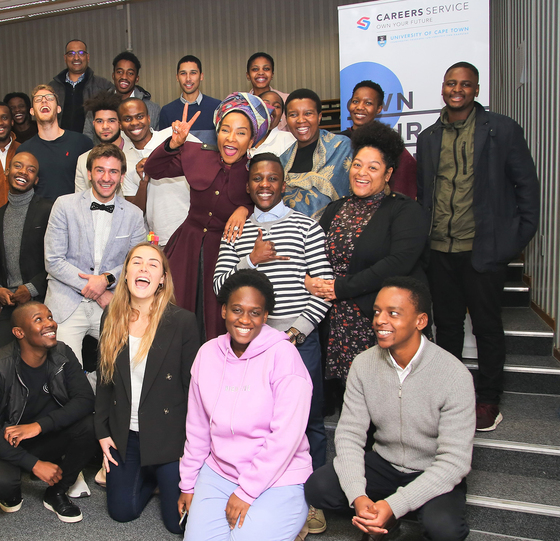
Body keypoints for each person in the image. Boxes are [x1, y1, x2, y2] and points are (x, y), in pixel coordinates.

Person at [213, 152, 333, 535]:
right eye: (258, 178)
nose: (265, 185)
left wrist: (292, 335)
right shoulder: (236, 231)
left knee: (307, 423)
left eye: (273, 179)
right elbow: (220, 288)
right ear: (248, 185)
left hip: (298, 341)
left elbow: (324, 288)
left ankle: (309, 500)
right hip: (247, 344)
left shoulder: (306, 227)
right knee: (254, 421)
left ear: (284, 184)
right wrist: (250, 258)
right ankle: (255, 489)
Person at [417, 61, 540, 431]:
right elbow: (425, 194)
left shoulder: (501, 130)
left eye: (465, 84)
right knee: (448, 328)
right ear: (442, 88)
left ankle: (488, 400)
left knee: (486, 327)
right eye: (451, 83)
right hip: (439, 250)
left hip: (483, 249)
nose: (458, 89)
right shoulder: (428, 137)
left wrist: (511, 243)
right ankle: (451, 396)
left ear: (476, 89)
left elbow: (527, 190)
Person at [305, 277, 475, 541]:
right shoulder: (363, 364)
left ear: (420, 321)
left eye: (393, 313)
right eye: (377, 311)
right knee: (319, 487)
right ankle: (384, 521)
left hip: (431, 469)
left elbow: (455, 463)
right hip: (384, 463)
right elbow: (349, 435)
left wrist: (393, 505)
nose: (379, 320)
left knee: (445, 530)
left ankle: (390, 515)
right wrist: (358, 497)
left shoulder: (454, 375)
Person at [178, 269, 312, 540]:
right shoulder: (207, 354)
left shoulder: (285, 357)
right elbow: (197, 429)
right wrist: (188, 484)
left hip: (278, 478)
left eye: (255, 312)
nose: (245, 320)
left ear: (265, 316)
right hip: (219, 472)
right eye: (237, 309)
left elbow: (286, 437)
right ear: (224, 311)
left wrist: (247, 491)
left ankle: (291, 522)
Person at [308, 121, 428, 387]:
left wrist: (341, 287)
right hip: (335, 321)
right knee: (346, 398)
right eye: (358, 164)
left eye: (373, 167)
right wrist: (309, 280)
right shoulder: (334, 209)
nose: (362, 172)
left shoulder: (405, 211)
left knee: (380, 398)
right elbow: (313, 252)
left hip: (377, 320)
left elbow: (397, 264)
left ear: (388, 174)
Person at [144, 93, 271, 341]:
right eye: (225, 129)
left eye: (241, 132)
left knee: (216, 319)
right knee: (175, 313)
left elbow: (268, 202)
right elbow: (153, 170)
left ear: (252, 140)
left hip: (223, 254)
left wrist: (246, 208)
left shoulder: (255, 171)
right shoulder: (198, 154)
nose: (231, 138)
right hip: (186, 247)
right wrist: (174, 143)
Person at [95, 243, 199, 533]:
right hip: (125, 438)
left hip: (169, 440)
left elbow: (193, 390)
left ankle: (160, 478)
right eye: (136, 262)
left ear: (163, 278)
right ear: (126, 274)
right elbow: (105, 382)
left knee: (177, 525)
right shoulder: (110, 317)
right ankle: (148, 480)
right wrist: (102, 433)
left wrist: (191, 449)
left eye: (153, 264)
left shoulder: (183, 322)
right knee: (121, 513)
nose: (143, 268)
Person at [0, 301, 97, 522]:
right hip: (8, 440)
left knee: (92, 425)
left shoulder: (63, 354)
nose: (50, 324)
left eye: (50, 317)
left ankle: (56, 492)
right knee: (0, 485)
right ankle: (14, 487)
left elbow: (85, 400)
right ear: (19, 332)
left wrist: (39, 426)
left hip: (45, 435)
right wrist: (34, 465)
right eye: (39, 320)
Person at [44, 143, 146, 384]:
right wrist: (93, 288)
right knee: (62, 372)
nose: (106, 178)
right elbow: (53, 260)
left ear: (122, 176)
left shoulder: (133, 214)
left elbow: (137, 263)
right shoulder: (64, 205)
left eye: (113, 172)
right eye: (100, 170)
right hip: (67, 300)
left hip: (111, 302)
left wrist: (106, 281)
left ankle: (101, 409)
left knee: (129, 364)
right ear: (89, 173)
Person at [0, 151, 54, 350]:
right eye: (18, 166)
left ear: (36, 180)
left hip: (42, 301)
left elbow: (59, 258)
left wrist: (31, 288)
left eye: (31, 170)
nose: (23, 172)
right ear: (7, 171)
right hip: (9, 306)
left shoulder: (49, 210)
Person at [120, 98, 201, 247]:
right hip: (159, 239)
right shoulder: (124, 158)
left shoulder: (173, 135)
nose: (134, 123)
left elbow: (206, 166)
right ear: (120, 124)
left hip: (192, 231)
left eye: (139, 116)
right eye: (127, 119)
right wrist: (143, 181)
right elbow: (134, 211)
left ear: (149, 118)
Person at [280, 88, 352, 219]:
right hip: (288, 234)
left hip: (333, 231)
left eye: (308, 113)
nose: (301, 120)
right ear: (286, 119)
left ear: (319, 117)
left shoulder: (340, 147)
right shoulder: (282, 160)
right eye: (293, 115)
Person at [339, 80, 417, 199]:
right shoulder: (337, 141)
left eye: (368, 103)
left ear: (379, 108)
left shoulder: (387, 143)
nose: (360, 107)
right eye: (355, 101)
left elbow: (405, 183)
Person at [17, 84, 94, 201]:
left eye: (49, 98)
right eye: (38, 100)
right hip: (40, 216)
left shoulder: (82, 143)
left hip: (74, 214)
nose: (44, 101)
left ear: (58, 108)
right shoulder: (24, 151)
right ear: (32, 111)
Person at [82, 51, 160, 143]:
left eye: (130, 73)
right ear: (113, 75)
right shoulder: (98, 105)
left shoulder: (152, 109)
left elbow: (155, 143)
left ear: (137, 78)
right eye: (119, 72)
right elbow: (87, 140)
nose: (124, 77)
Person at [49, 39, 114, 133]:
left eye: (81, 53)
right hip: (59, 144)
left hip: (91, 144)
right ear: (65, 58)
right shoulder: (52, 88)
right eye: (71, 53)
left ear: (88, 57)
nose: (76, 58)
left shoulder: (103, 86)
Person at [159, 55, 221, 144]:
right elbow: (163, 148)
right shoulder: (167, 111)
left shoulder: (217, 106)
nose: (188, 79)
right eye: (183, 73)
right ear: (177, 77)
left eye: (193, 73)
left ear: (201, 76)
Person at [74, 91, 128, 193]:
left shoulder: (135, 153)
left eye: (111, 121)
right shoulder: (83, 160)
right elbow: (81, 200)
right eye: (100, 121)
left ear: (120, 123)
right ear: (93, 124)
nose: (105, 126)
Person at [246, 52, 290, 133]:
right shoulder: (243, 103)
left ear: (272, 74)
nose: (261, 73)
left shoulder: (287, 100)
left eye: (266, 69)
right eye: (255, 69)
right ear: (248, 75)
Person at [248, 90, 295, 158]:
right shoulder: (243, 137)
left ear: (281, 115)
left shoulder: (288, 140)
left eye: (276, 106)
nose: (271, 109)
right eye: (265, 104)